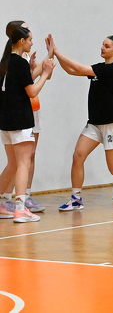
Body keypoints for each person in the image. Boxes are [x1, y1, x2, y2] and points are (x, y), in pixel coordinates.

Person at [48, 34, 113, 211]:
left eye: (107, 46)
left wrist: (56, 52)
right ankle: (76, 199)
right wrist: (54, 55)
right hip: (95, 123)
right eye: (102, 45)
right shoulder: (99, 68)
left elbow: (78, 67)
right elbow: (72, 71)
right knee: (78, 156)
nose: (102, 48)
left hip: (112, 124)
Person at [0, 26, 54, 222]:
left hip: (5, 120)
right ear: (22, 41)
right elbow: (32, 92)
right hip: (20, 119)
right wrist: (45, 74)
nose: (32, 43)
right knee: (24, 163)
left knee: (13, 164)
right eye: (30, 40)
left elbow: (22, 83)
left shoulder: (6, 61)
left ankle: (1, 204)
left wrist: (35, 68)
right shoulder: (19, 61)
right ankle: (20, 209)